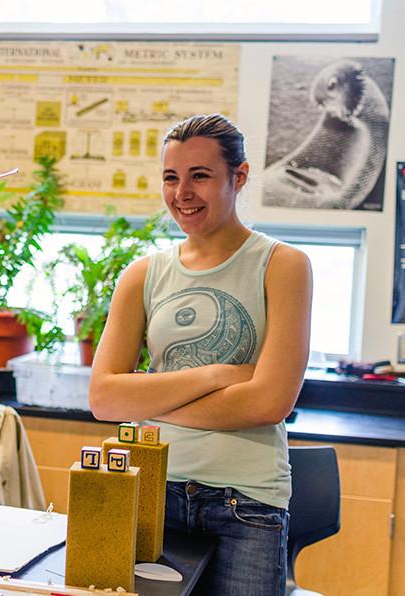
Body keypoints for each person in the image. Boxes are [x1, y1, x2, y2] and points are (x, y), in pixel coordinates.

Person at [89, 113, 312, 595]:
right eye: (171, 177)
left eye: (200, 176)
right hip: (150, 490)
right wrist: (220, 374)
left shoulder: (283, 266)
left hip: (248, 504)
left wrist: (148, 400)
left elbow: (268, 404)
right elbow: (104, 399)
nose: (182, 192)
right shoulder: (142, 275)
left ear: (240, 176)